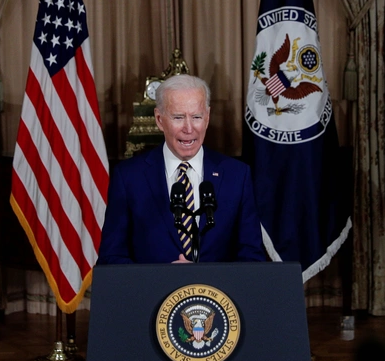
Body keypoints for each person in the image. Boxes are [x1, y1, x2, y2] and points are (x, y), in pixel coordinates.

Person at [98, 74, 265, 264]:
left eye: (196, 117)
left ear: (207, 118)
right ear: (159, 119)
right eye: (178, 117)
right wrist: (165, 279)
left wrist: (201, 279)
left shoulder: (237, 176)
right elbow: (111, 258)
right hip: (153, 293)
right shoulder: (128, 178)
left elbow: (252, 259)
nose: (188, 128)